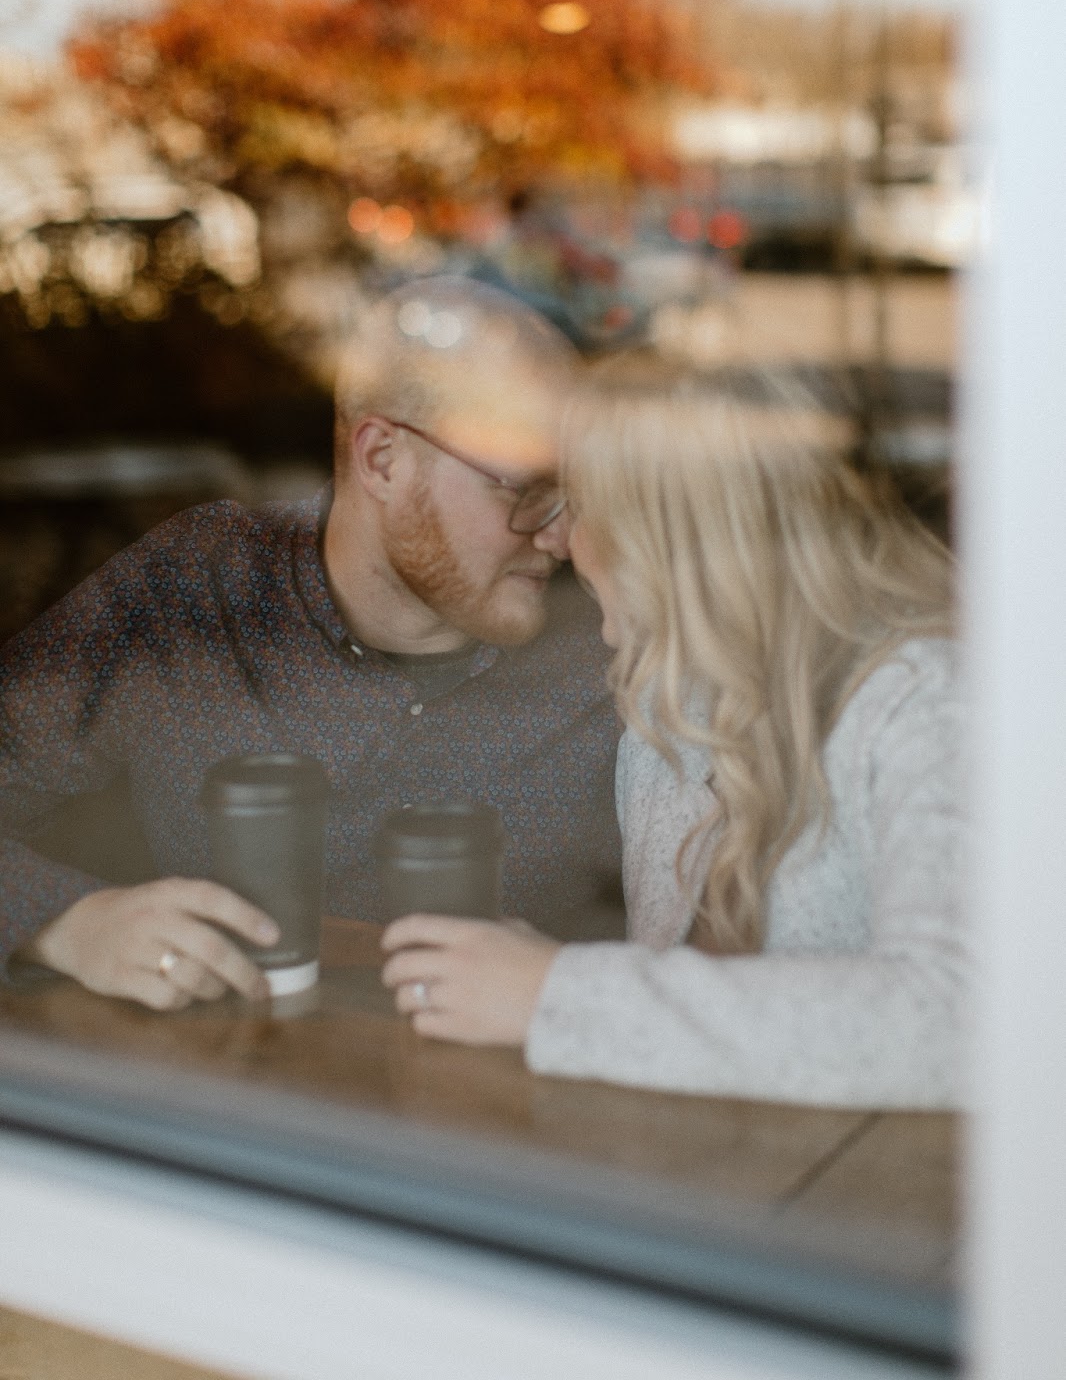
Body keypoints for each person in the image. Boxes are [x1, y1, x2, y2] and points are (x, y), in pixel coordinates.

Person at [0, 278, 621, 1006]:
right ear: (383, 459)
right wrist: (70, 923)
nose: (561, 536)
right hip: (214, 1072)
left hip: (506, 1080)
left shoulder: (618, 645)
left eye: (575, 491)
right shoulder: (195, 593)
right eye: (525, 490)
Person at [381, 355, 968, 1109]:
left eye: (577, 502)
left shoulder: (928, 703)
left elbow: (961, 1022)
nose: (555, 539)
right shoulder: (671, 711)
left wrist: (557, 995)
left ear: (672, 534)